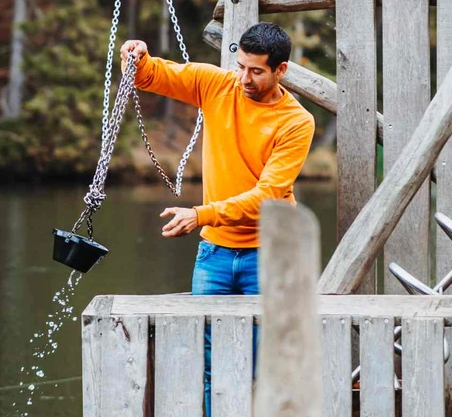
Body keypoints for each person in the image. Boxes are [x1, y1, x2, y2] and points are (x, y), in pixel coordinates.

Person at [120, 21, 315, 413]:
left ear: (280, 71)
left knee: (267, 369)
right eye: (241, 65)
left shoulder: (296, 122)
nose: (244, 77)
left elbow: (268, 196)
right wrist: (137, 56)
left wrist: (201, 214)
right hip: (214, 256)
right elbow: (156, 75)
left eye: (256, 70)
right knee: (209, 366)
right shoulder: (217, 85)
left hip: (270, 256)